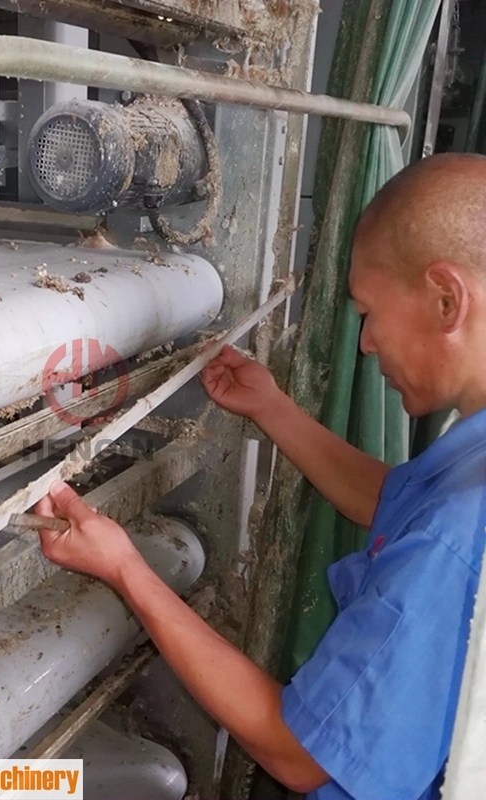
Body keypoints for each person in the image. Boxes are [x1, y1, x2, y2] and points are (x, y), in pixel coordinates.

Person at [33, 152, 486, 800]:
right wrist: (272, 408)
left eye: (368, 313)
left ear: (446, 299)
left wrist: (127, 569)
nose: (367, 343)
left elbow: (299, 755)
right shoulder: (472, 457)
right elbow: (393, 501)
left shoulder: (459, 535)